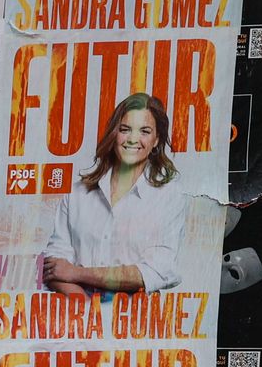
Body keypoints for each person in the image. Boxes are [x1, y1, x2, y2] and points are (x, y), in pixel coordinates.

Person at [42, 92, 187, 294]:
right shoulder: (77, 193)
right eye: (125, 129)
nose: (133, 139)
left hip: (135, 320)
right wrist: (83, 305)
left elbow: (155, 272)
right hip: (78, 316)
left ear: (156, 141)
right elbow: (54, 266)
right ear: (114, 133)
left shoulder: (169, 196)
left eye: (145, 131)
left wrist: (77, 273)